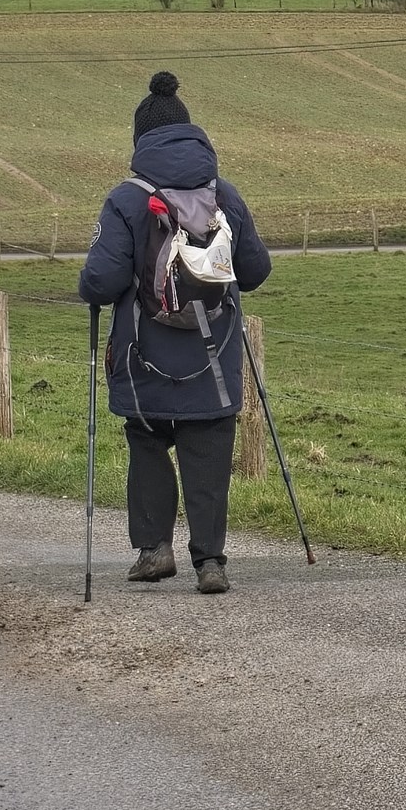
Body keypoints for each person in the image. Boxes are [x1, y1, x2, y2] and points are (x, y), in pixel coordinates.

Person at [80, 70, 272, 593]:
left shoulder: (126, 198)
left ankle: (154, 551)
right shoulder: (224, 193)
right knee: (208, 450)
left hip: (144, 357)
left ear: (140, 141)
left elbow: (102, 280)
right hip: (216, 354)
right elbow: (255, 272)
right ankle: (210, 563)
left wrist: (88, 284)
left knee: (147, 445)